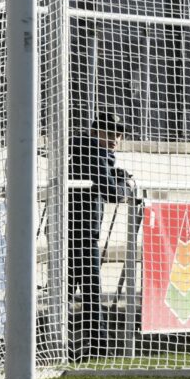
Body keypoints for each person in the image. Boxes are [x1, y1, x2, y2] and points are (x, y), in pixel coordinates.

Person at [68, 112, 133, 361]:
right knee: (91, 294)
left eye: (118, 133)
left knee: (71, 292)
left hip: (80, 232)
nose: (115, 138)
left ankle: (60, 344)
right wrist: (122, 185)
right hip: (81, 234)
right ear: (96, 133)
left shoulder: (95, 154)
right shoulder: (93, 154)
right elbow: (111, 192)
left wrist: (116, 177)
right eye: (109, 132)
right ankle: (98, 348)